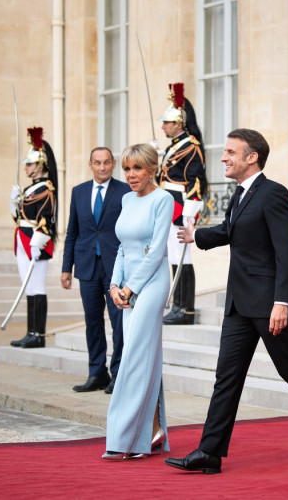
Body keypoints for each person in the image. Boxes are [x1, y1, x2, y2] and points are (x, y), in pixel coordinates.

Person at [165, 128, 288, 474]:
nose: (223, 157)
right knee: (227, 377)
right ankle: (210, 452)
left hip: (269, 305)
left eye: (231, 152)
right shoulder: (240, 194)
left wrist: (284, 302)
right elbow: (228, 231)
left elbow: (285, 253)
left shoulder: (273, 194)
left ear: (252, 157)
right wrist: (196, 235)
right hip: (238, 303)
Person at [102, 143, 174, 461]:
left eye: (138, 169)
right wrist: (115, 285)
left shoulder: (163, 199)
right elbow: (122, 247)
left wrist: (130, 288)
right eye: (127, 169)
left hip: (153, 283)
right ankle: (153, 431)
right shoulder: (126, 199)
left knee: (133, 355)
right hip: (128, 284)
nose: (131, 175)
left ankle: (124, 437)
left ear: (152, 169)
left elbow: (157, 251)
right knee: (143, 356)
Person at [61, 147, 130, 393]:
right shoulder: (78, 192)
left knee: (118, 321)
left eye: (106, 163)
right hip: (87, 267)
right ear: (90, 164)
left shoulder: (124, 191)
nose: (102, 168)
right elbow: (72, 232)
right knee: (92, 322)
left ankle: (119, 374)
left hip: (116, 269)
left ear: (113, 164)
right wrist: (66, 267)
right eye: (97, 163)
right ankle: (96, 373)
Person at [158, 83, 208, 325]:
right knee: (174, 257)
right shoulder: (174, 146)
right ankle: (178, 305)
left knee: (182, 256)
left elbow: (197, 181)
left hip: (181, 205)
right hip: (170, 203)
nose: (163, 126)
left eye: (167, 122)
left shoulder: (191, 146)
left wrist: (189, 214)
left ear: (179, 123)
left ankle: (186, 309)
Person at [9, 127, 58, 349]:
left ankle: (38, 334)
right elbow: (18, 216)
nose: (26, 168)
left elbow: (46, 219)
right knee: (28, 286)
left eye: (29, 164)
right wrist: (14, 201)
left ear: (39, 166)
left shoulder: (46, 188)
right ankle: (31, 331)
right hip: (22, 238)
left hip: (35, 242)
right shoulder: (31, 189)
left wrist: (38, 243)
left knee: (37, 286)